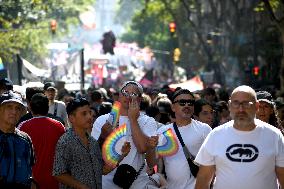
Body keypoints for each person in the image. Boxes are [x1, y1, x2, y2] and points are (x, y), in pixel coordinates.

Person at [194, 85, 284, 189]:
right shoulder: (216, 135)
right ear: (229, 106)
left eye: (246, 104)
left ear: (256, 106)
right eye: (236, 103)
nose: (241, 109)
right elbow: (203, 179)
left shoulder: (274, 136)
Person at [91, 81, 158, 189]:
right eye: (125, 92)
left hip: (137, 182)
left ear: (140, 99)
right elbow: (93, 154)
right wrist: (103, 137)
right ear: (119, 95)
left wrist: (133, 119)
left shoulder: (148, 121)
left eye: (133, 94)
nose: (128, 96)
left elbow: (142, 148)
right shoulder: (103, 120)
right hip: (107, 182)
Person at [53, 98, 126, 189]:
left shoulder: (92, 142)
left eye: (90, 113)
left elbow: (103, 170)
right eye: (84, 114)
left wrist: (120, 156)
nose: (89, 117)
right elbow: (58, 173)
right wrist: (81, 186)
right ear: (72, 118)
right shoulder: (65, 141)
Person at [156, 89, 212, 189]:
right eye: (182, 102)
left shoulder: (205, 129)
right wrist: (164, 183)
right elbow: (154, 166)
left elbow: (213, 163)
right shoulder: (163, 132)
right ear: (173, 107)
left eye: (190, 103)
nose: (187, 105)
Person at [18, 93, 65, 189]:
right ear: (47, 107)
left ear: (30, 108)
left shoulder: (22, 126)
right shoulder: (59, 126)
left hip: (31, 180)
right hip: (55, 180)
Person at [0, 91, 35, 189]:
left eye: (18, 108)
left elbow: (30, 170)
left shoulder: (25, 139)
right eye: (9, 107)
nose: (14, 112)